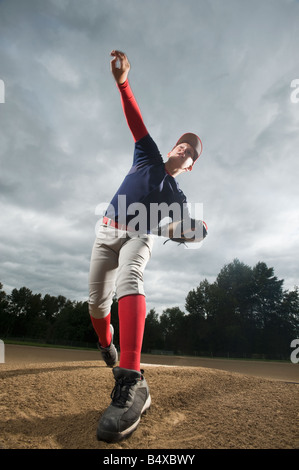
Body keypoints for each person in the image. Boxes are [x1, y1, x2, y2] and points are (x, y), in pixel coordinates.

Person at [88, 50, 207, 443]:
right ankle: (108, 346)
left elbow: (175, 228)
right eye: (182, 145)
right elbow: (136, 121)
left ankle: (132, 379)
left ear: (190, 167)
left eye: (191, 153)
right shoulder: (148, 155)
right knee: (95, 307)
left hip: (141, 235)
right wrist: (123, 82)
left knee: (131, 277)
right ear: (172, 148)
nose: (184, 150)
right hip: (106, 231)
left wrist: (192, 230)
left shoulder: (178, 195)